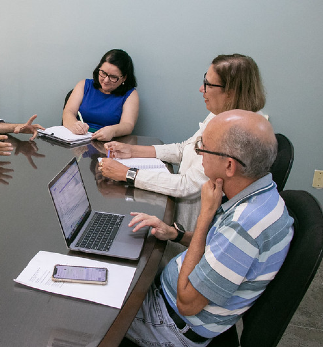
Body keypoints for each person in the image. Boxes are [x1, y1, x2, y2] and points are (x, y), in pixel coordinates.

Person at [123, 110, 293, 346]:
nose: (198, 152)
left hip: (171, 325)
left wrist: (205, 215)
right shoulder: (262, 192)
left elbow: (187, 303)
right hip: (172, 300)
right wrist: (175, 233)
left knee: (89, 303)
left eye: (204, 146)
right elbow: (216, 247)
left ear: (229, 166)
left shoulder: (244, 226)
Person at [100, 53, 266, 198]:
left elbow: (187, 186)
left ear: (230, 92)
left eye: (208, 84)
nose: (202, 89)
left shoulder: (237, 134)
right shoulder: (220, 114)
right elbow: (184, 149)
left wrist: (126, 173)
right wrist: (132, 151)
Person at [62, 49, 139, 141]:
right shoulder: (84, 85)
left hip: (107, 144)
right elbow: (68, 112)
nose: (106, 80)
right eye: (103, 73)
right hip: (77, 140)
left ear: (124, 78)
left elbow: (128, 125)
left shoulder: (130, 94)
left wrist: (112, 131)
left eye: (113, 77)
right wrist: (74, 124)